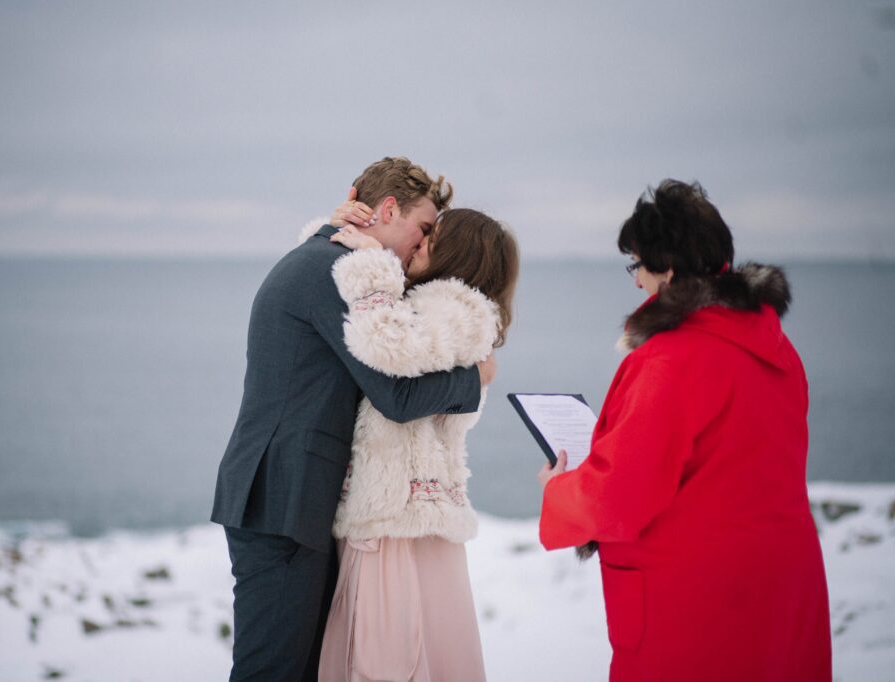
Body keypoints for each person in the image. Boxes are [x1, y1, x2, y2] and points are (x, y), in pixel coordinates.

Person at [210, 157, 496, 681]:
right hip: (284, 500)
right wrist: (474, 379)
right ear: (388, 209)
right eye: (424, 228)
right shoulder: (332, 270)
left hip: (288, 498)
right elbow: (396, 395)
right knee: (271, 670)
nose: (422, 243)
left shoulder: (324, 256)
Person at [536, 179, 831, 681]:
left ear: (667, 268)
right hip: (781, 586)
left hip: (697, 601)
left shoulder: (669, 360)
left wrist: (558, 491)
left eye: (637, 265)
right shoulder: (778, 350)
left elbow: (621, 494)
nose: (635, 282)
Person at [316, 204, 519, 681]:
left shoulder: (456, 307)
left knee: (380, 660)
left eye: (432, 237)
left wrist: (368, 260)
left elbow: (387, 344)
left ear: (460, 254)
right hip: (406, 519)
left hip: (396, 521)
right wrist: (333, 229)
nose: (419, 243)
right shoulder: (438, 306)